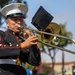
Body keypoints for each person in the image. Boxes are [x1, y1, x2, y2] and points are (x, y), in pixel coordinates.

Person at [0, 3, 41, 75]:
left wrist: (32, 43)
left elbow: (35, 62)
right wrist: (21, 46)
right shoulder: (2, 34)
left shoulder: (22, 39)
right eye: (15, 20)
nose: (19, 22)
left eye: (21, 20)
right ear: (7, 23)